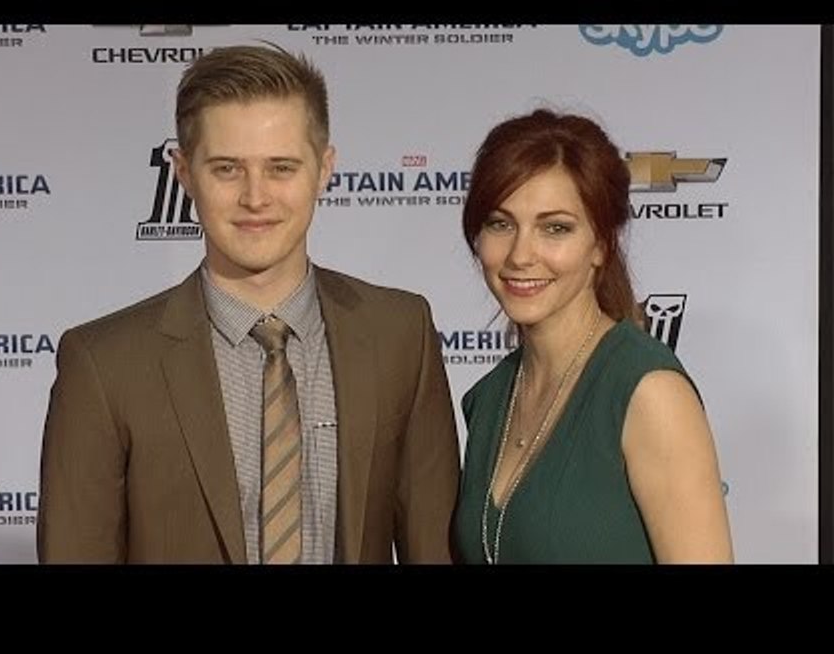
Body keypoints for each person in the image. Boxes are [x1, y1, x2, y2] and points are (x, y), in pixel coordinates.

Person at [37, 45, 460, 564]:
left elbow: (434, 549)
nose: (256, 197)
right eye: (227, 169)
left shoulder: (402, 334)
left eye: (281, 167)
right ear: (184, 172)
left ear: (324, 168)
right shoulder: (103, 364)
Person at [452, 109, 733, 564]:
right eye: (501, 224)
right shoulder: (490, 398)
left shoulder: (648, 391)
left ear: (601, 244)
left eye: (555, 228)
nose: (521, 254)